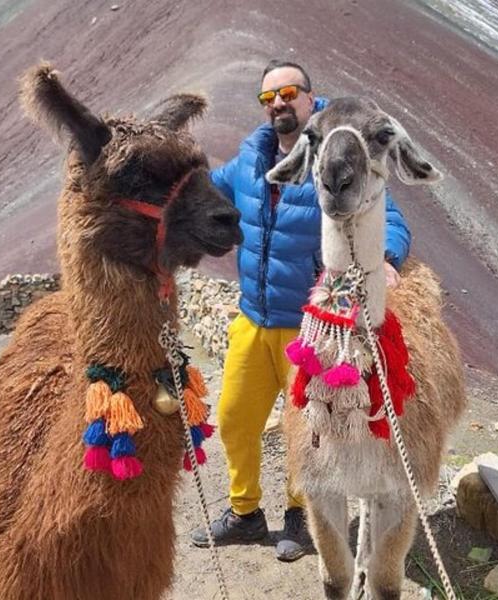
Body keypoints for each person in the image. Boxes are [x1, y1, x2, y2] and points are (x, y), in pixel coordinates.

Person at [191, 60, 411, 562]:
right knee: (234, 418)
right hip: (253, 318)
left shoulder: (339, 156)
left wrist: (387, 257)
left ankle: (300, 515)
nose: (278, 104)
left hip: (310, 328)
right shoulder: (249, 161)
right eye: (268, 98)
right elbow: (205, 192)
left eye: (288, 93)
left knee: (306, 429)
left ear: (310, 98)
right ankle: (245, 513)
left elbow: (391, 216)